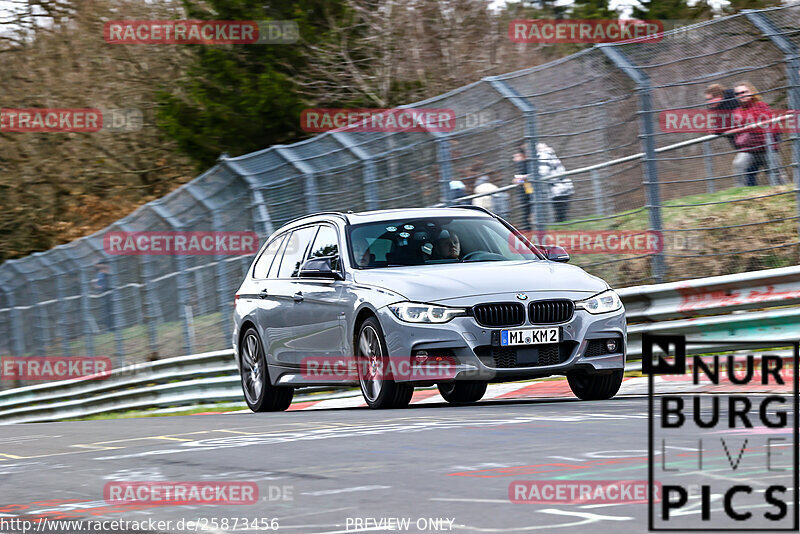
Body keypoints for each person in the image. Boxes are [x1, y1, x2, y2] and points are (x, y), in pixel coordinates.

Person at [731, 82, 776, 187]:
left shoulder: (762, 106)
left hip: (766, 146)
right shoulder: (736, 111)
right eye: (738, 94)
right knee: (739, 165)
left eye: (744, 92)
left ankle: (784, 193)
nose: (741, 95)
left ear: (751, 92)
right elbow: (736, 127)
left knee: (775, 173)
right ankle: (743, 194)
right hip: (748, 148)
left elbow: (761, 123)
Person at [537, 142, 573, 223]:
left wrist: (524, 178)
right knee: (562, 214)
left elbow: (542, 173)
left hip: (558, 189)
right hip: (564, 187)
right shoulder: (550, 155)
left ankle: (562, 231)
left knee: (560, 215)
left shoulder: (543, 156)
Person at [512, 143, 532, 230]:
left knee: (526, 215)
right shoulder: (525, 164)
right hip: (527, 192)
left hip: (527, 193)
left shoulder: (523, 164)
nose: (514, 159)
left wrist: (518, 181)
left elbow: (525, 179)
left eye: (516, 156)